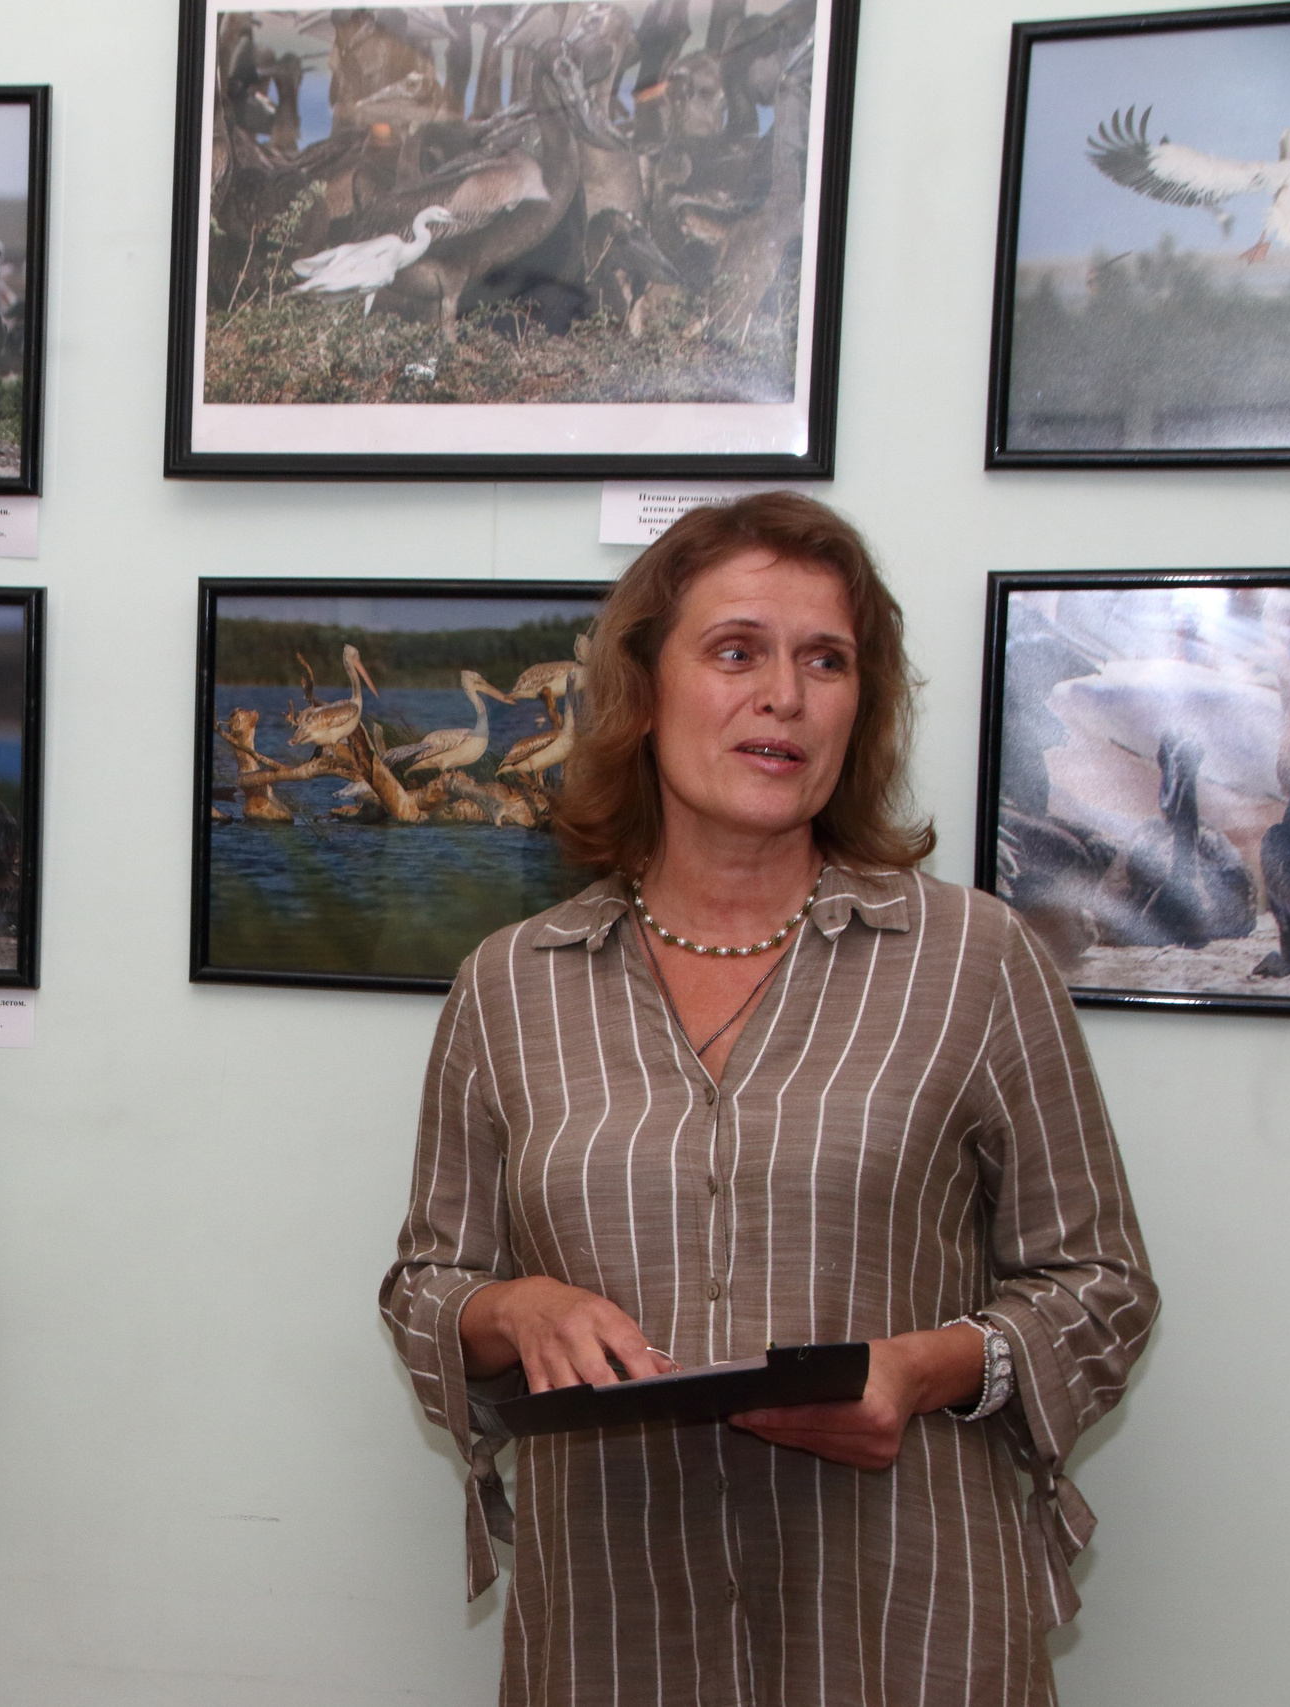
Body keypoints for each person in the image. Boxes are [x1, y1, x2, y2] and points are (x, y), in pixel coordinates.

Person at [381, 493, 1157, 1704]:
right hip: (614, 1631)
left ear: (862, 706)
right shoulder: (510, 984)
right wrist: (512, 1307)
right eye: (736, 650)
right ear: (642, 692)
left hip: (908, 1615)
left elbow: (1101, 1289)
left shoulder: (974, 960)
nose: (783, 697)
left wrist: (925, 1367)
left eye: (825, 662)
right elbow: (424, 1283)